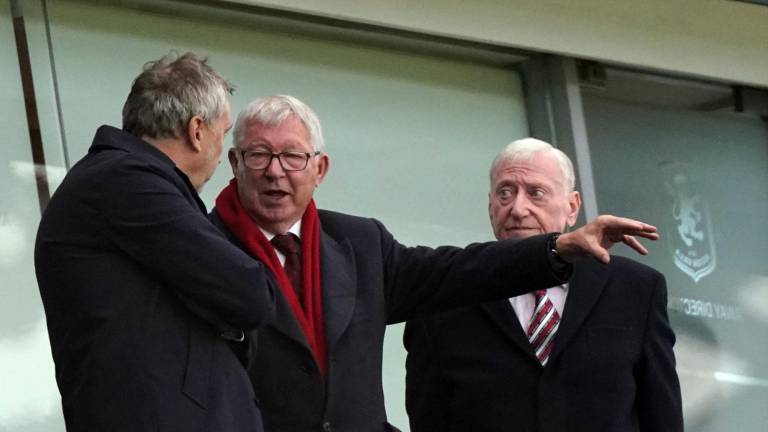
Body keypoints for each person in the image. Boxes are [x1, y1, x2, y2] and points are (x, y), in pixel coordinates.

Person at [209, 95, 659, 432]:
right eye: (258, 155)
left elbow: (454, 271)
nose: (274, 171)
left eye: (291, 156)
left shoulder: (360, 243)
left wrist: (557, 249)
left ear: (319, 168)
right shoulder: (201, 249)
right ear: (235, 162)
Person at [35, 53, 277, 432]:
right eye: (223, 132)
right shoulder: (125, 180)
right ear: (197, 131)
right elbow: (250, 293)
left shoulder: (122, 182)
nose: (221, 155)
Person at [404, 138, 683, 432]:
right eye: (505, 193)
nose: (517, 208)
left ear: (572, 207)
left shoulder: (635, 290)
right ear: (490, 206)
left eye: (536, 193)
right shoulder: (444, 297)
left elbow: (662, 415)